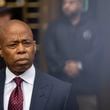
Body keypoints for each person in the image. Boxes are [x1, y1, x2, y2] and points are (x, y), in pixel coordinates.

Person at [0, 19, 77, 110]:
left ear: (34, 47)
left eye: (27, 43)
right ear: (1, 51)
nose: (21, 50)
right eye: (13, 45)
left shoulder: (62, 92)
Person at [44, 0, 102, 109]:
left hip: (87, 89)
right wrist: (64, 65)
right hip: (60, 90)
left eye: (71, 2)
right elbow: (49, 52)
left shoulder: (94, 26)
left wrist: (79, 65)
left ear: (80, 3)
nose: (66, 6)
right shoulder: (54, 27)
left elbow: (98, 52)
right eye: (64, 3)